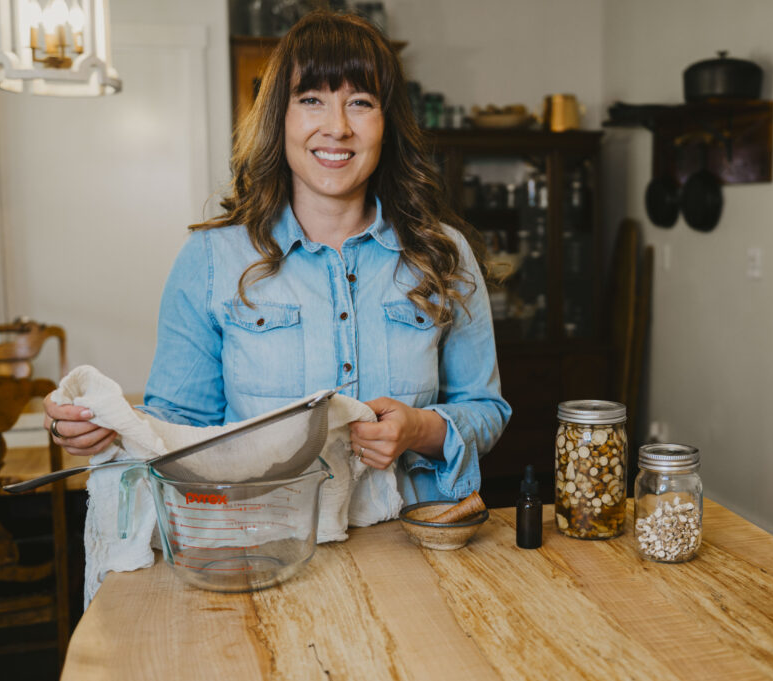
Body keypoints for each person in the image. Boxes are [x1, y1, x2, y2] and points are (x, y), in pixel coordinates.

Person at [43, 9, 511, 504]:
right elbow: (176, 433)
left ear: (386, 123)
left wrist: (420, 428)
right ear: (279, 118)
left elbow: (486, 410)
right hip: (266, 548)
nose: (337, 127)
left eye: (360, 102)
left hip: (414, 544)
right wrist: (105, 430)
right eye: (311, 99)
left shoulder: (443, 254)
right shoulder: (210, 259)